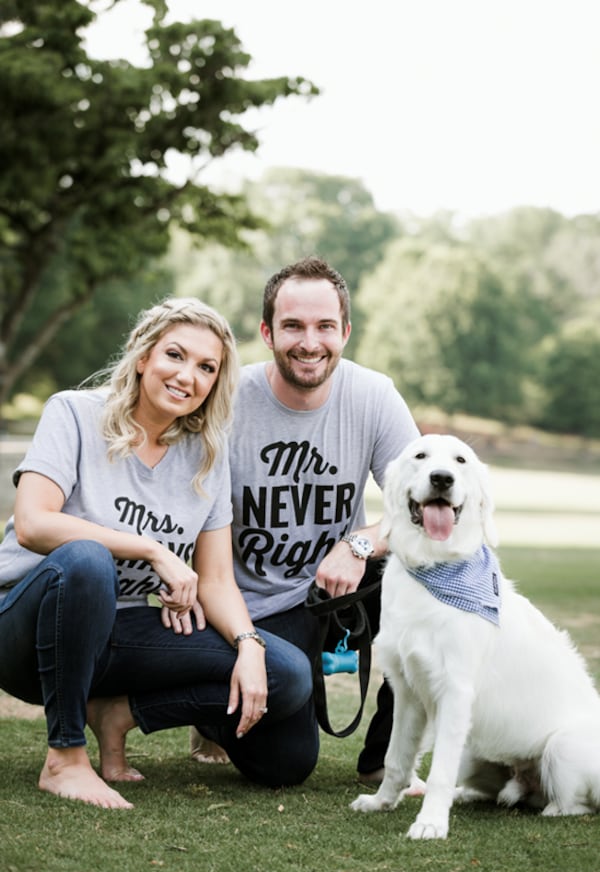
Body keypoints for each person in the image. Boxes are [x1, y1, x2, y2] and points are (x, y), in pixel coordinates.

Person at [0, 297, 313, 809]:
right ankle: (64, 758)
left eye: (206, 367)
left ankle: (119, 711)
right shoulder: (74, 413)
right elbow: (34, 523)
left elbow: (214, 580)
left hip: (118, 638)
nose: (187, 375)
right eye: (175, 354)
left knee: (288, 673)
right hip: (24, 632)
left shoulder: (206, 453)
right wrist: (152, 551)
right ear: (142, 355)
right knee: (85, 559)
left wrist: (250, 644)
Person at [190, 257, 420, 780]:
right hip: (253, 612)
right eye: (293, 325)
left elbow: (420, 506)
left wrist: (357, 545)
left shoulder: (373, 395)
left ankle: (387, 761)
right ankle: (206, 705)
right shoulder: (226, 402)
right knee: (286, 765)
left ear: (346, 332)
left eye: (324, 326)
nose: (309, 342)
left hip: (338, 595)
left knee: (437, 572)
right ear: (268, 331)